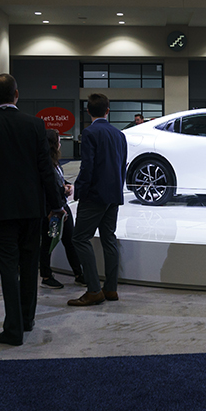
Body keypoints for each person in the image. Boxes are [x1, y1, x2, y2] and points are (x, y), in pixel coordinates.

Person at [0, 74, 63, 346]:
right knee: (30, 264)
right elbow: (45, 169)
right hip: (32, 208)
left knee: (8, 268)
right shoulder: (34, 125)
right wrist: (54, 204)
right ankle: (27, 319)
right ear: (17, 94)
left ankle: (13, 329)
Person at [68, 93, 127, 306]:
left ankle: (93, 290)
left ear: (88, 111)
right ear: (107, 110)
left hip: (94, 196)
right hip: (113, 195)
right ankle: (111, 289)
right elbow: (122, 167)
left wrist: (79, 192)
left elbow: (87, 167)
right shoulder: (119, 135)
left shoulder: (90, 132)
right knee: (108, 238)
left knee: (79, 238)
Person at [38, 129, 85, 289]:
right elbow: (47, 187)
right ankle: (45, 276)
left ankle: (78, 274)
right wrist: (62, 190)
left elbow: (56, 181)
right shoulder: (44, 163)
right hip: (52, 210)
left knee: (70, 241)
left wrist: (64, 185)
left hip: (61, 206)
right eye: (58, 140)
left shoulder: (55, 162)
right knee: (48, 242)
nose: (60, 143)